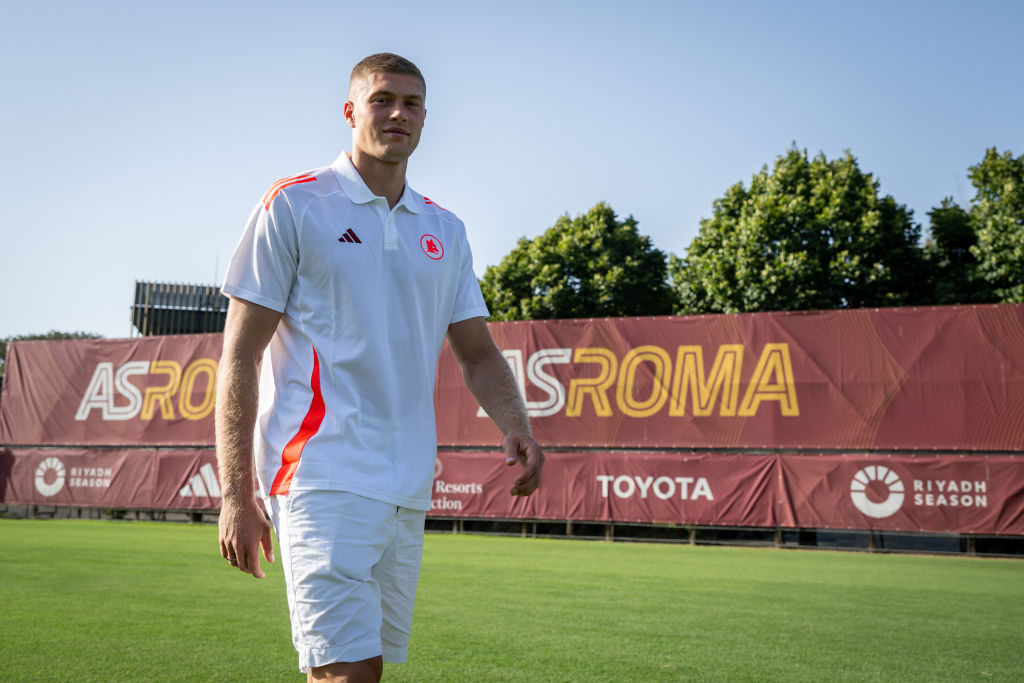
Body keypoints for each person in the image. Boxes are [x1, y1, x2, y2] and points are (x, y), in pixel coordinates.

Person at [215, 53, 544, 683]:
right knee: (345, 674)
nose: (399, 113)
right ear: (350, 111)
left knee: (366, 668)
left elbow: (476, 352)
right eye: (382, 99)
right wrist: (235, 494)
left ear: (426, 118)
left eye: (413, 103)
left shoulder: (444, 228)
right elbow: (240, 355)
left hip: (406, 484)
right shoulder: (294, 205)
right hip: (319, 473)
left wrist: (517, 424)